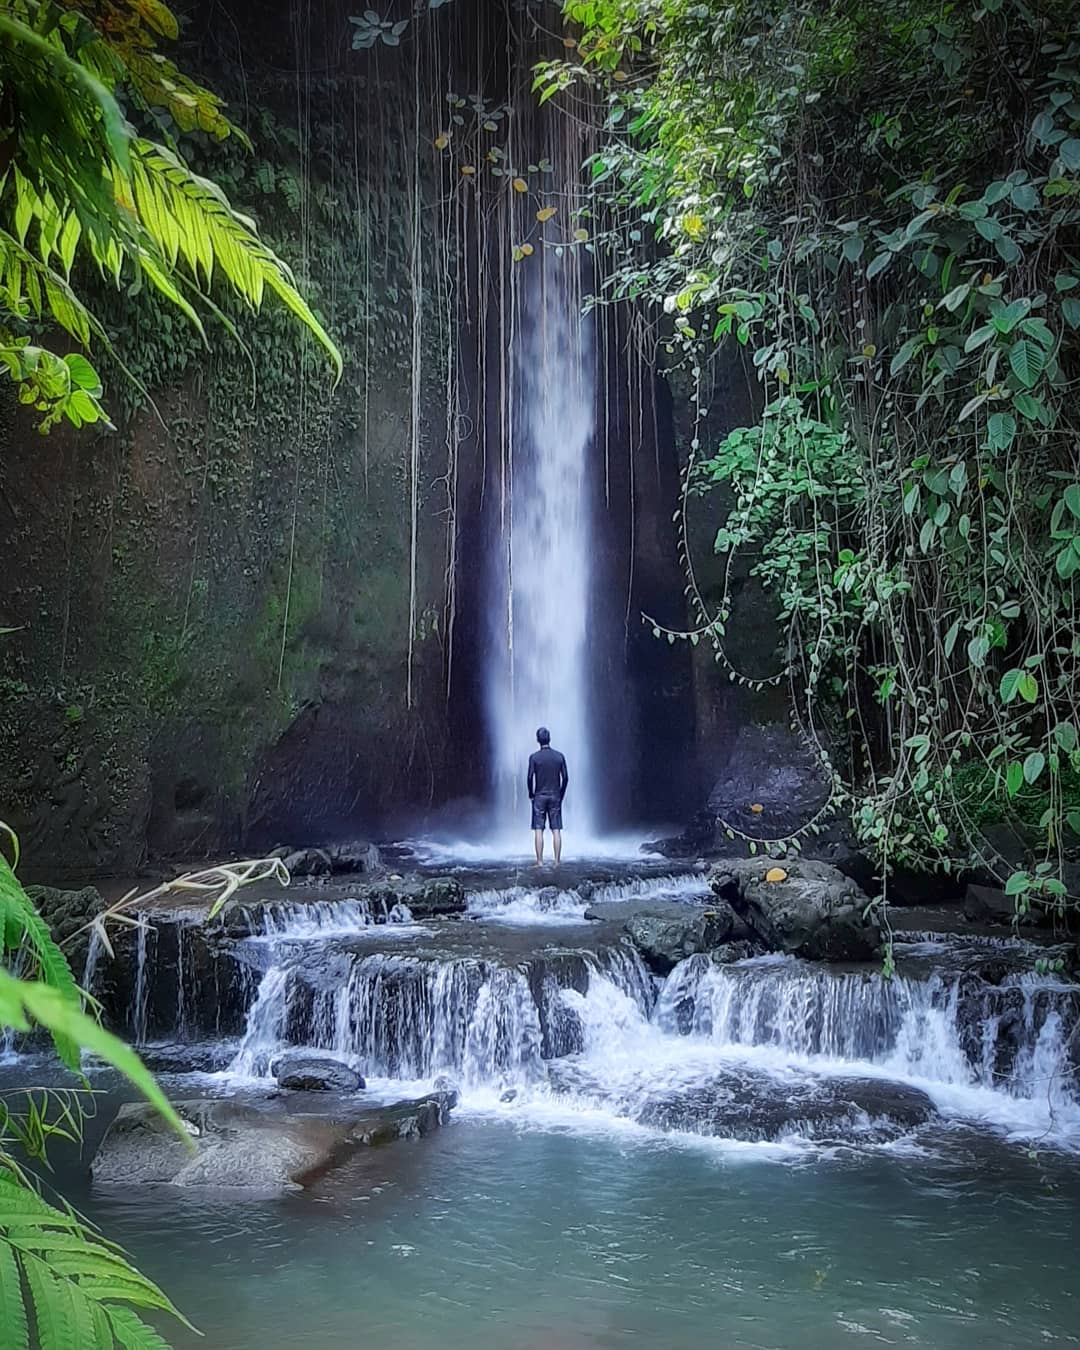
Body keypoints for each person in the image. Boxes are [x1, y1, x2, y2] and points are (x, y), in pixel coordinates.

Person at [527, 727, 568, 866]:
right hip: (555, 795)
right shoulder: (559, 756)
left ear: (538, 740)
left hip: (539, 795)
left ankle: (539, 861)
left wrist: (531, 793)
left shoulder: (534, 757)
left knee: (539, 829)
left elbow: (529, 777)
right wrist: (561, 794)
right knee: (556, 829)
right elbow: (566, 778)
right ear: (549, 739)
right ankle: (557, 861)